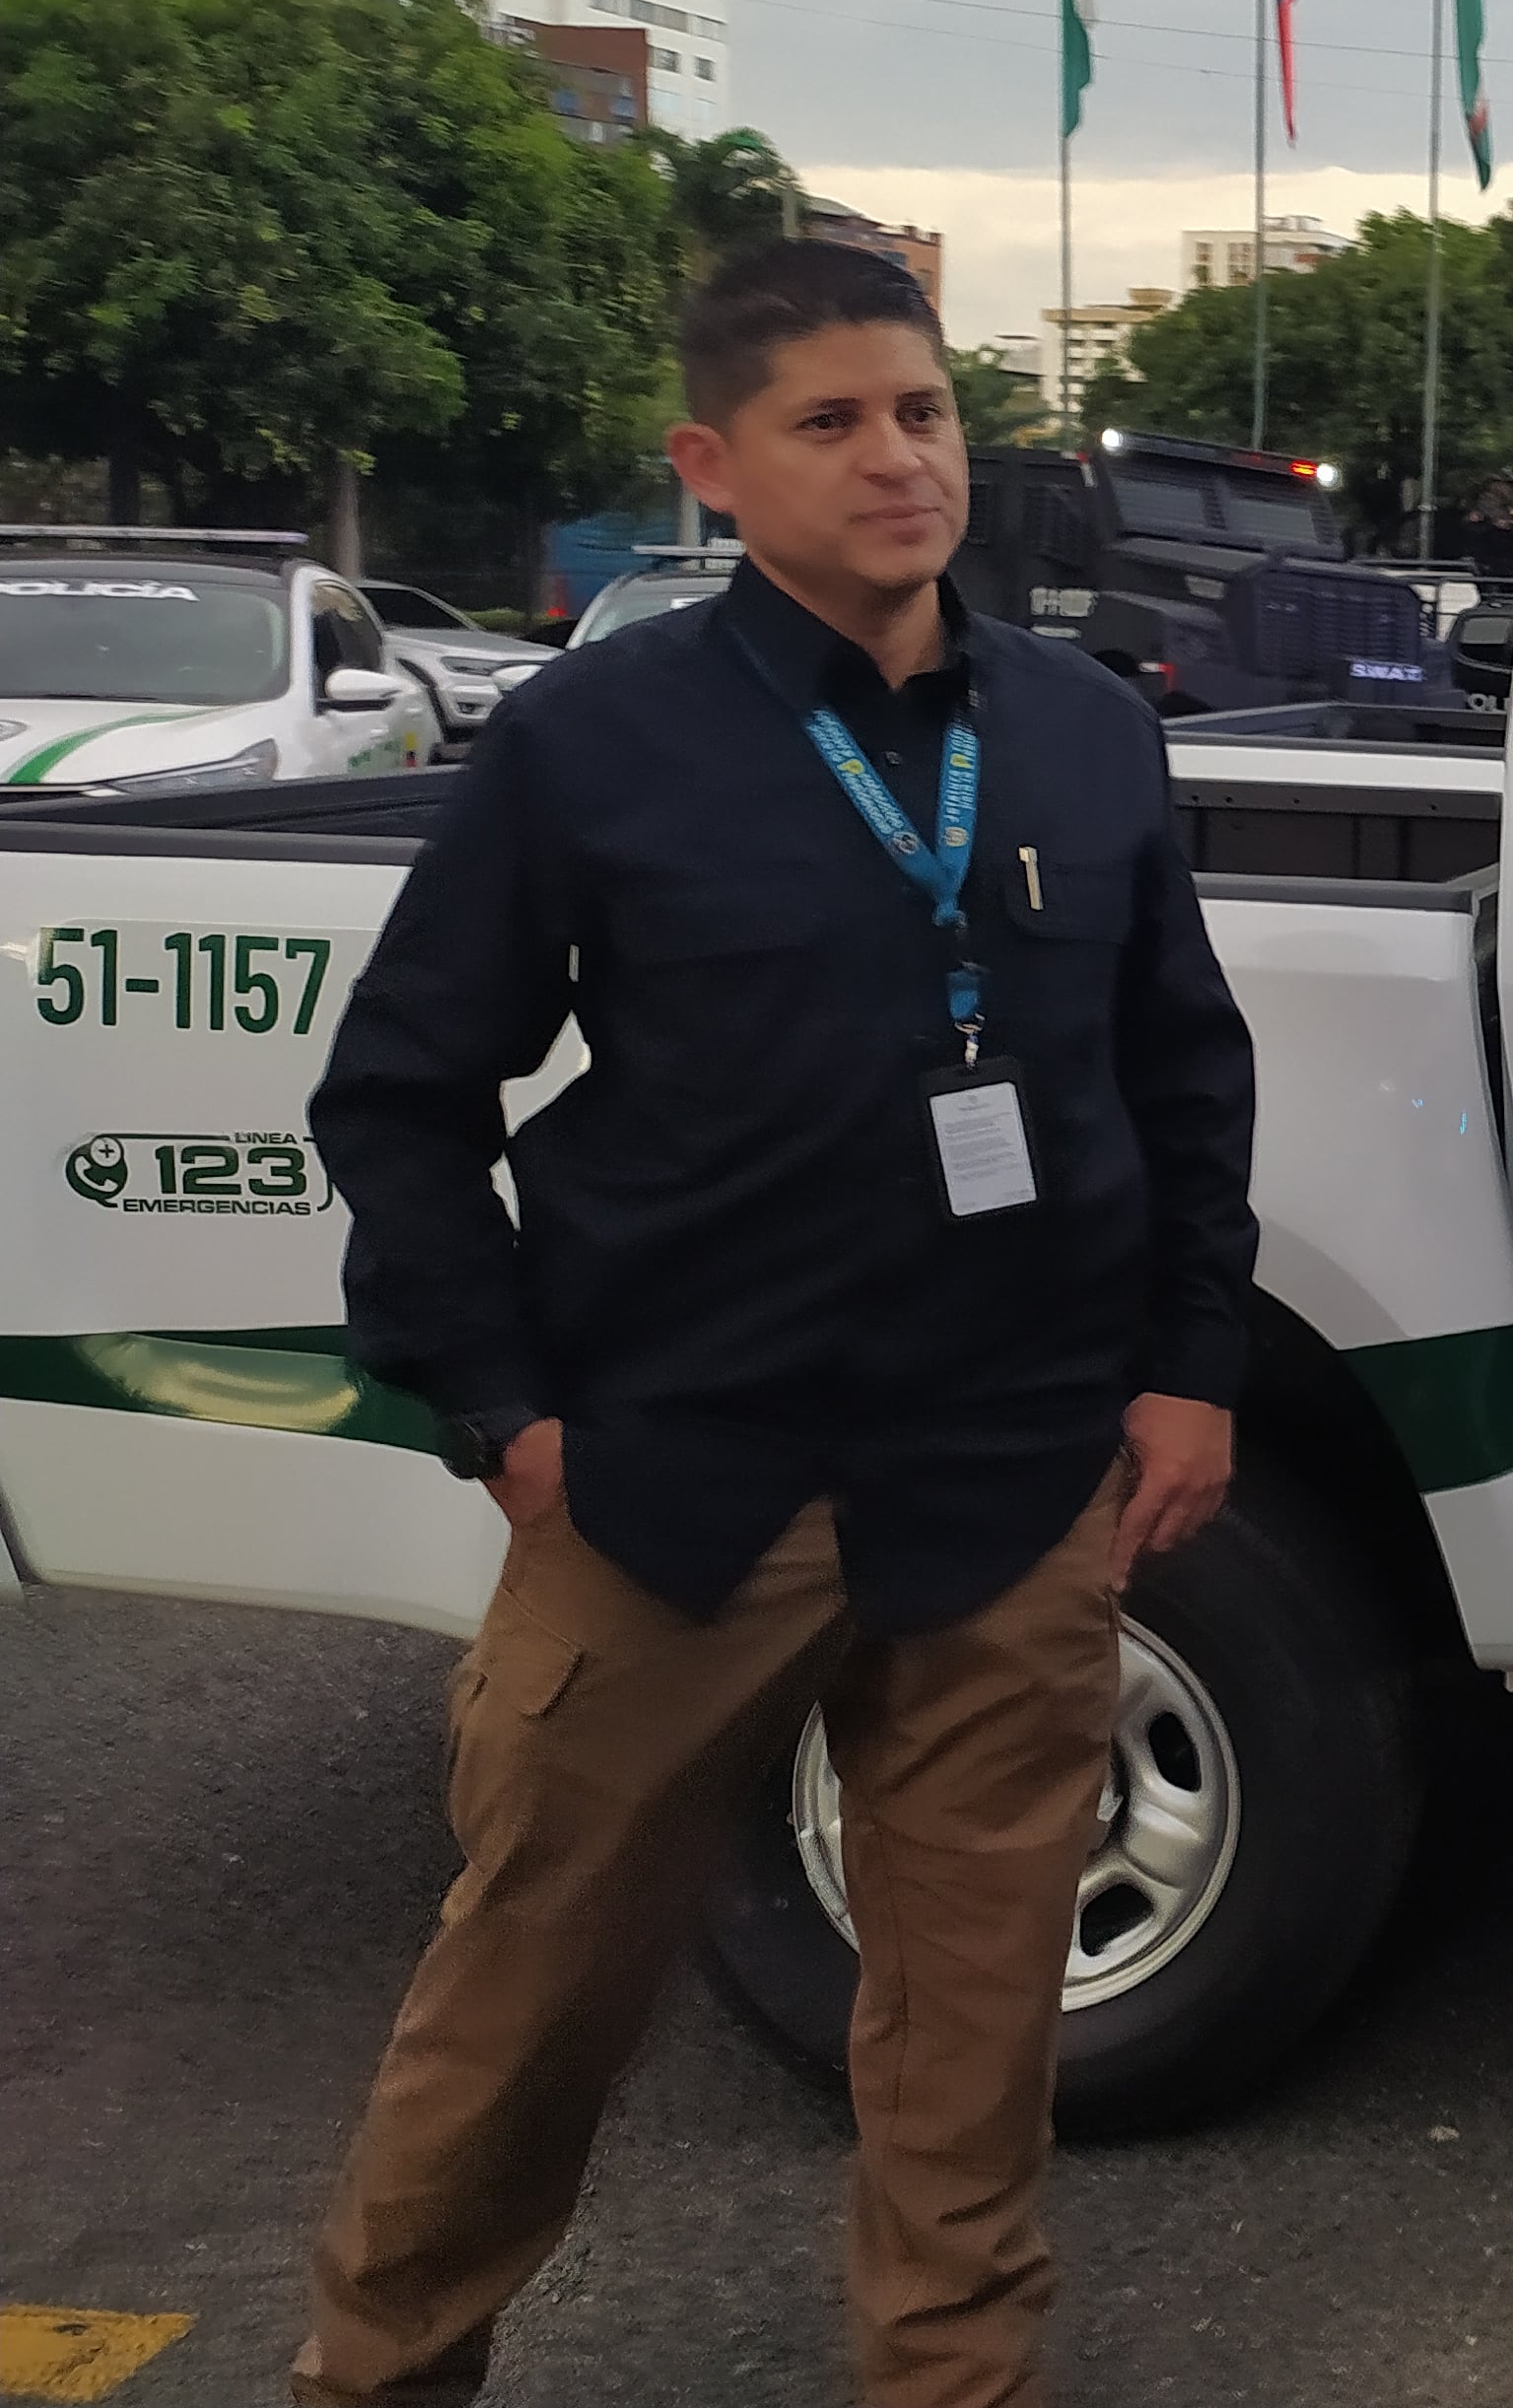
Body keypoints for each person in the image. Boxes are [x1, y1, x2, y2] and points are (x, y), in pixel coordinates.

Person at [292, 239, 1258, 2408]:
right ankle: (378, 2372)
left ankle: (952, 2384)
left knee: (974, 2026)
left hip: (1008, 1481)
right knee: (529, 1999)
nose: (896, 459)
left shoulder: (1084, 734)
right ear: (714, 468)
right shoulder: (594, 744)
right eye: (831, 423)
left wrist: (1189, 1365)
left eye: (919, 411)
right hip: (673, 1482)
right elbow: (404, 1096)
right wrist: (505, 1412)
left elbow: (1181, 1071)